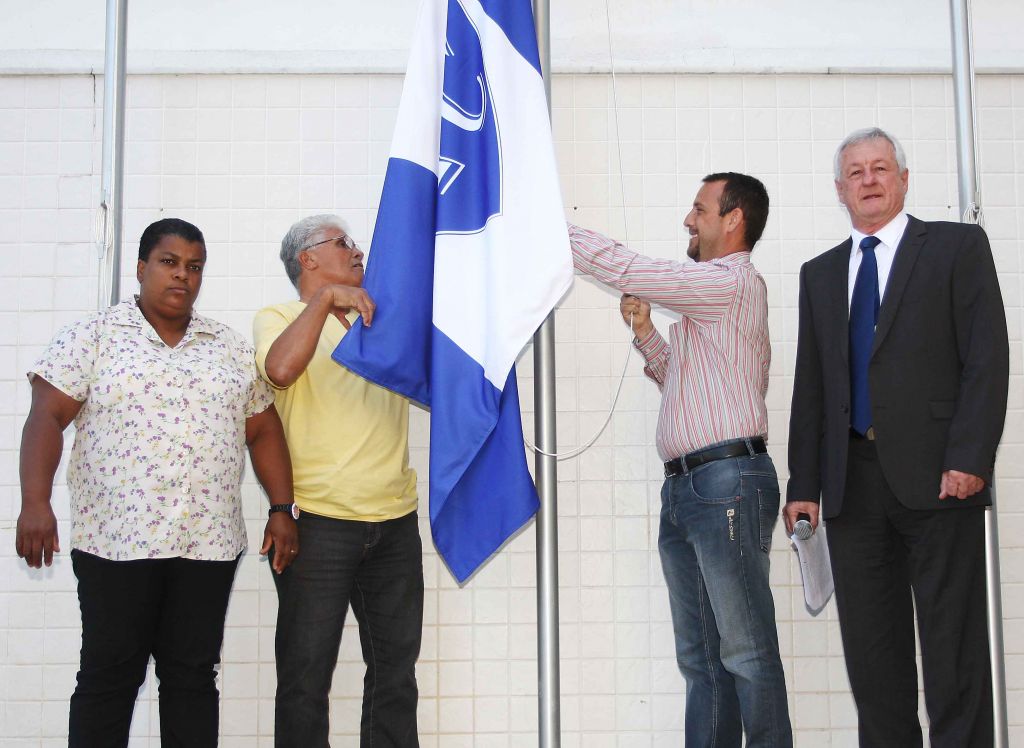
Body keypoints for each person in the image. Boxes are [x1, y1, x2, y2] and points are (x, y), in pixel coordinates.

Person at [15, 218, 298, 747]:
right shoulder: (93, 338)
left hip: (206, 546)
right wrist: (36, 502)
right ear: (142, 267)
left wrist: (283, 508)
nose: (182, 276)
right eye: (169, 262)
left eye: (194, 267)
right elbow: (45, 417)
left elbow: (262, 429)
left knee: (191, 678)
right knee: (109, 677)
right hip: (116, 545)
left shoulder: (229, 348)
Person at [786, 127, 1009, 747]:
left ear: (903, 179)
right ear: (839, 190)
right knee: (874, 663)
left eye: (881, 168)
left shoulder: (956, 249)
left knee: (953, 654)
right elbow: (813, 387)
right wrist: (803, 484)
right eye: (855, 173)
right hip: (853, 490)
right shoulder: (820, 274)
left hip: (941, 479)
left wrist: (970, 456)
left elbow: (987, 359)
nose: (869, 180)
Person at [569, 173, 792, 747]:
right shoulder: (711, 303)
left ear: (732, 219)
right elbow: (686, 386)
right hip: (694, 488)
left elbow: (629, 268)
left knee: (745, 653)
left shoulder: (726, 281)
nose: (689, 220)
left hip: (725, 483)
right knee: (703, 662)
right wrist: (646, 333)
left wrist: (548, 229)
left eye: (699, 209)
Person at [254, 214, 422, 748]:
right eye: (343, 242)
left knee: (395, 676)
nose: (358, 251)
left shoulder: (382, 317)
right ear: (307, 259)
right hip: (318, 525)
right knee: (305, 679)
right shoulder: (278, 316)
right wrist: (324, 302)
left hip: (395, 521)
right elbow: (279, 370)